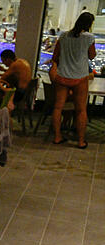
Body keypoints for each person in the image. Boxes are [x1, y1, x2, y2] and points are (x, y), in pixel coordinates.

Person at [51, 12, 96, 148]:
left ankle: (57, 137)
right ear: (89, 24)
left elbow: (55, 57)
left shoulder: (63, 36)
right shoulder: (89, 37)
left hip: (62, 76)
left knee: (58, 107)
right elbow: (92, 56)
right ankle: (81, 141)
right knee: (81, 110)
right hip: (80, 77)